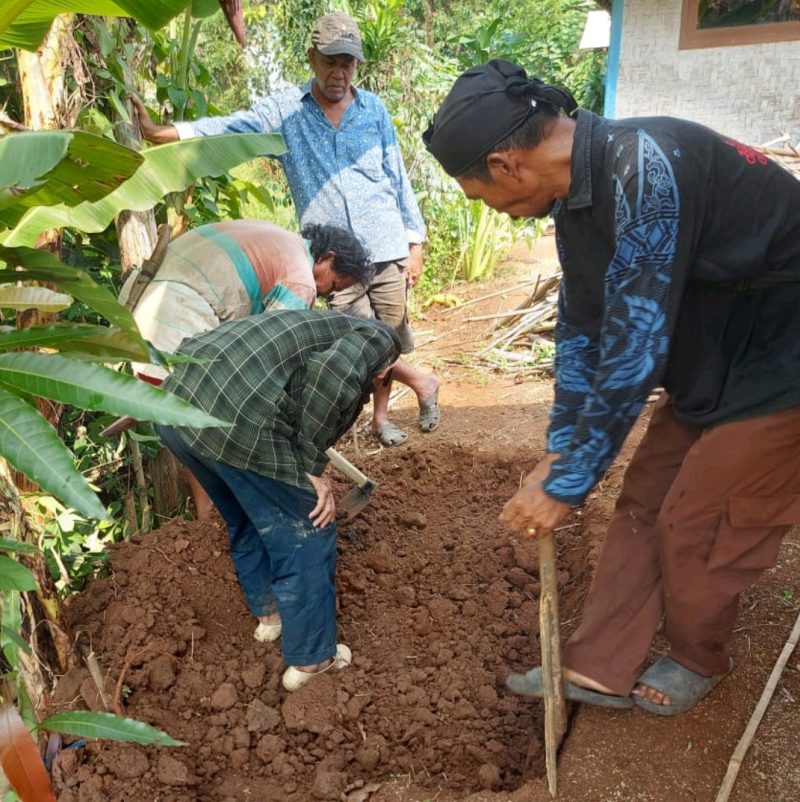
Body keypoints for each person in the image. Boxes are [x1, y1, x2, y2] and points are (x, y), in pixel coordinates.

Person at [424, 60, 800, 716]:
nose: (488, 208)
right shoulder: (581, 200)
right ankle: (600, 665)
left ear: (506, 162)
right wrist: (563, 451)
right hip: (719, 358)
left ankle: (696, 656)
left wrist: (566, 486)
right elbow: (583, 327)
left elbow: (635, 344)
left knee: (699, 519)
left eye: (477, 193)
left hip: (784, 359)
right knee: (644, 499)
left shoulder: (648, 168)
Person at [130, 11, 440, 447]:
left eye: (348, 63)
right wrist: (165, 132)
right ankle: (421, 383)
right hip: (337, 257)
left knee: (387, 337)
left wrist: (415, 240)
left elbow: (397, 174)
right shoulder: (287, 112)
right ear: (312, 57)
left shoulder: (374, 111)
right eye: (331, 61)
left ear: (358, 66)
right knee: (361, 340)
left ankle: (381, 419)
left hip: (386, 242)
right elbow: (231, 127)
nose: (340, 73)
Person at [156, 309, 401, 690]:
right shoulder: (380, 339)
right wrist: (310, 465)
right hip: (234, 422)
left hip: (174, 410)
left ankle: (270, 617)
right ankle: (312, 659)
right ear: (385, 371)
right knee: (308, 526)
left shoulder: (315, 323)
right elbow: (332, 376)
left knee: (247, 516)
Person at [122, 219, 374, 520]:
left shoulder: (281, 241)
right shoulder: (300, 280)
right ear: (328, 257)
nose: (323, 295)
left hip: (144, 315)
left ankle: (212, 515)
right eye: (332, 284)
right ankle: (214, 517)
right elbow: (272, 360)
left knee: (193, 420)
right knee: (209, 421)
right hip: (177, 320)